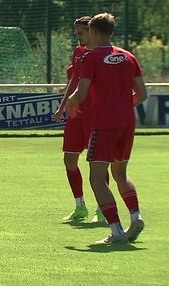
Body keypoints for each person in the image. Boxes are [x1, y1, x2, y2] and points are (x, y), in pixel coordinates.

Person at [67, 13, 148, 244]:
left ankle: (116, 231)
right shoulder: (129, 57)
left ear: (93, 32)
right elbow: (142, 94)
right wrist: (122, 106)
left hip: (104, 124)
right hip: (127, 121)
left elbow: (80, 93)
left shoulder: (90, 58)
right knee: (120, 173)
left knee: (97, 178)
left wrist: (70, 102)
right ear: (111, 32)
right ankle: (136, 216)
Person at [53, 16, 107, 223]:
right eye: (76, 33)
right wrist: (62, 106)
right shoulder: (78, 52)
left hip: (95, 117)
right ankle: (79, 206)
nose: (78, 37)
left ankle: (102, 209)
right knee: (69, 159)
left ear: (93, 32)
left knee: (98, 164)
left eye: (81, 33)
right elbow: (74, 82)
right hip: (76, 117)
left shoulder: (104, 54)